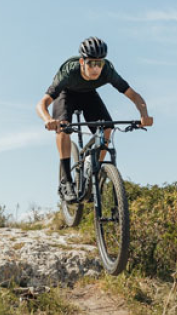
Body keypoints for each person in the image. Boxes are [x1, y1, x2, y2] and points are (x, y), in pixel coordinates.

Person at [36, 37, 154, 203]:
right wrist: (48, 119)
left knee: (107, 127)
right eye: (91, 63)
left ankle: (94, 175)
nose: (96, 68)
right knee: (63, 127)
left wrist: (144, 115)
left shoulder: (107, 71)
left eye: (100, 63)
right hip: (66, 94)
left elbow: (134, 95)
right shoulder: (69, 71)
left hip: (89, 94)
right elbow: (42, 104)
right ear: (82, 62)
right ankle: (66, 182)